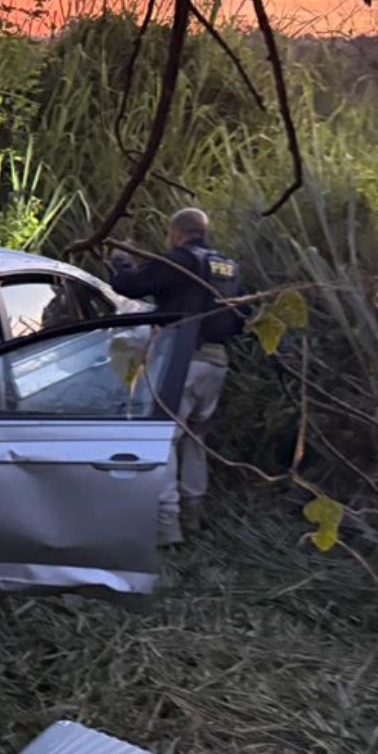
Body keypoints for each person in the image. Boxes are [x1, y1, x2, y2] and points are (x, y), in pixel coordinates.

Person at [108, 207, 247, 547]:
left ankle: (167, 524)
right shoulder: (227, 265)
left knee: (165, 438)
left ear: (176, 232)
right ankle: (193, 513)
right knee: (195, 437)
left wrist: (120, 259)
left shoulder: (179, 260)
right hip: (217, 361)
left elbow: (129, 286)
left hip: (183, 359)